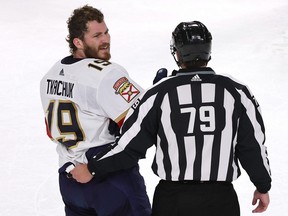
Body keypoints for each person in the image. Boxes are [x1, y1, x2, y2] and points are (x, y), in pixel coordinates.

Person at [71, 21, 272, 216]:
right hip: (220, 200)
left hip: (173, 200)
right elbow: (253, 145)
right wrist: (262, 185)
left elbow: (129, 147)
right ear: (208, 51)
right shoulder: (236, 91)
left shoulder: (159, 93)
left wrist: (92, 168)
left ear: (176, 52)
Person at [40, 5, 151, 216]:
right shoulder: (106, 74)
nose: (105, 39)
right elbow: (143, 119)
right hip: (109, 179)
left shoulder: (49, 77)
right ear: (78, 42)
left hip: (70, 181)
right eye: (97, 35)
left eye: (106, 32)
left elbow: (50, 130)